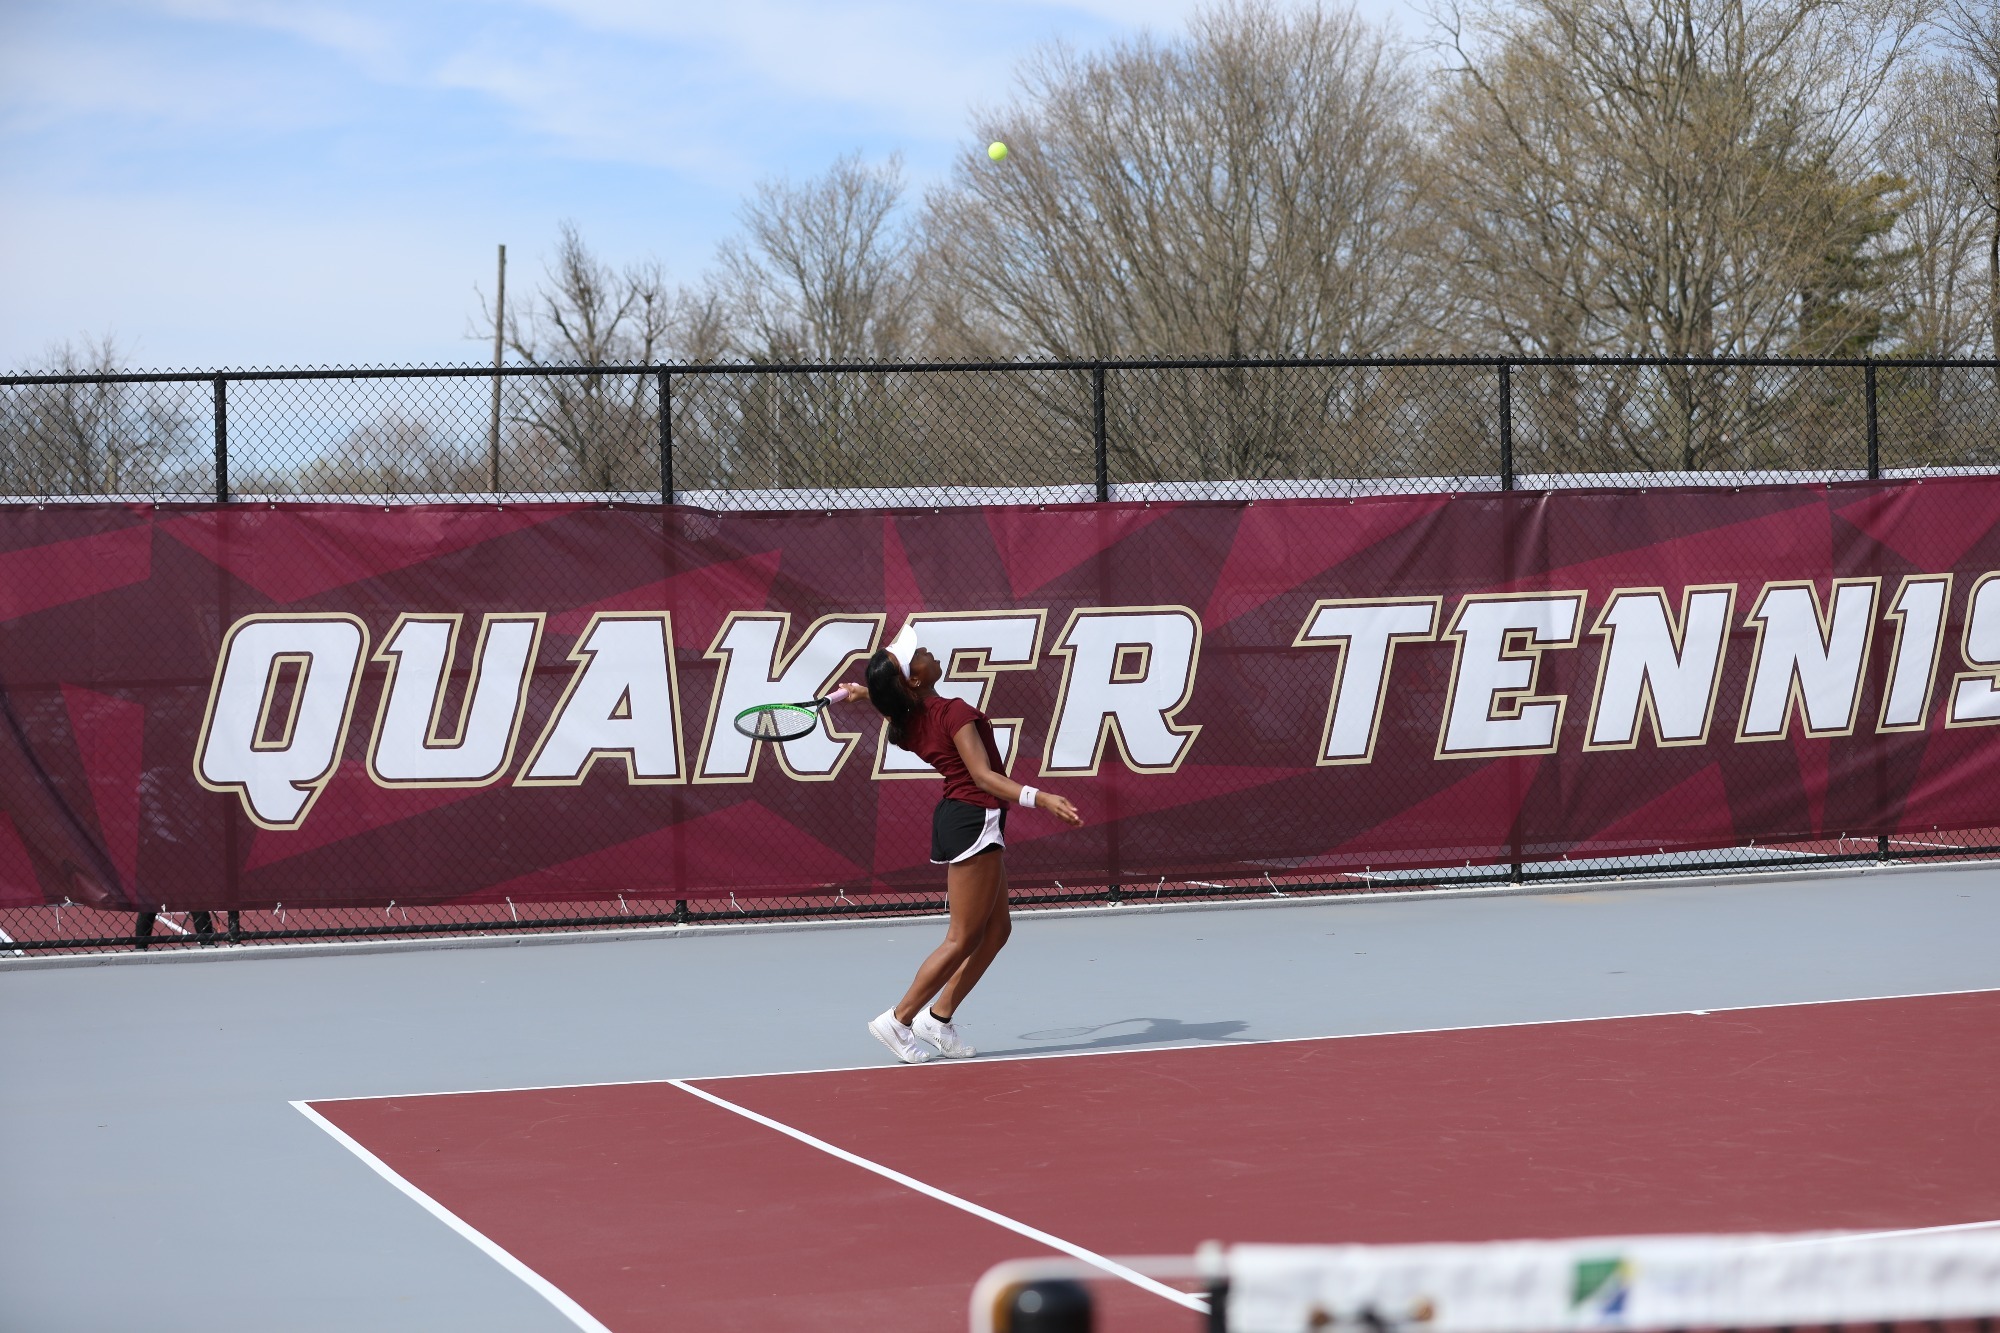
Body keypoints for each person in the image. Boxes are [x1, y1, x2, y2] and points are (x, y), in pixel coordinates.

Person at [829, 630, 1081, 1064]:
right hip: (974, 817)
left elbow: (900, 701)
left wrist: (864, 693)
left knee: (997, 931)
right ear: (913, 680)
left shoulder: (907, 720)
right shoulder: (953, 712)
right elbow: (983, 777)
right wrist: (1041, 797)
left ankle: (938, 1017)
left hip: (963, 818)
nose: (926, 652)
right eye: (917, 656)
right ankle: (899, 1018)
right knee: (963, 937)